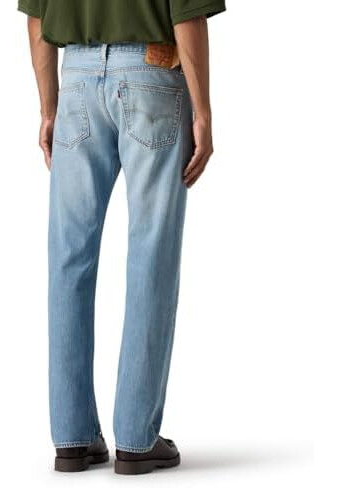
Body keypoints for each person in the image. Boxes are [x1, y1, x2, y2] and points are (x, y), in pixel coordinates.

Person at [18, 0, 225, 475]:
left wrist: (48, 108)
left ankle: (72, 438)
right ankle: (136, 438)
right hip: (153, 74)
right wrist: (203, 112)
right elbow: (187, 15)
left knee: (68, 257)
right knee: (151, 252)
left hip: (75, 80)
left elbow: (36, 17)